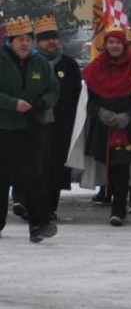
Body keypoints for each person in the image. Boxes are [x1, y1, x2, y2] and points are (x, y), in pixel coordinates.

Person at [67, 25, 131, 226]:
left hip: (128, 126)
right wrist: (101, 113)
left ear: (124, 45)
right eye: (111, 42)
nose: (114, 46)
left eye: (118, 43)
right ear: (105, 45)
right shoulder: (96, 66)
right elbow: (89, 98)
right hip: (103, 125)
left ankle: (119, 208)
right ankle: (110, 198)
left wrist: (128, 116)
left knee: (122, 167)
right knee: (109, 166)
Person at [0, 16, 60, 242]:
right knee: (2, 176)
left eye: (28, 39)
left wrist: (44, 102)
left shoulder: (40, 63)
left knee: (34, 176)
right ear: (11, 41)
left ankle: (40, 224)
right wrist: (12, 103)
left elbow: (54, 88)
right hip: (4, 127)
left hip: (32, 127)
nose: (24, 44)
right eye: (20, 40)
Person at [32, 15, 82, 220]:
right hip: (35, 123)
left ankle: (50, 207)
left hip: (61, 125)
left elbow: (76, 94)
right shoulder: (31, 62)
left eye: (54, 37)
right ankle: (32, 206)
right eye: (46, 38)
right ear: (38, 41)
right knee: (35, 166)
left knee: (55, 166)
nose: (51, 42)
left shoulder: (69, 65)